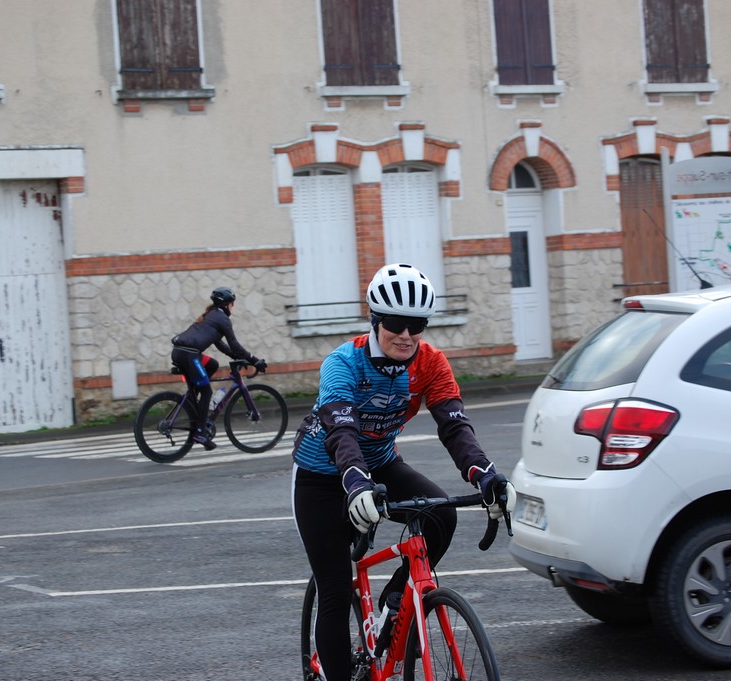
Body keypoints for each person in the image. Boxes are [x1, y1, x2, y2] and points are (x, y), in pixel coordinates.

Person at [291, 263, 517, 681]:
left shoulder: (430, 363)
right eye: (395, 323)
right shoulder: (343, 363)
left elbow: (454, 426)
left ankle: (396, 600)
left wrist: (485, 475)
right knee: (335, 591)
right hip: (321, 476)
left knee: (441, 515)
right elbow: (341, 430)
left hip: (380, 464)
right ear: (375, 320)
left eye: (417, 325)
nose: (407, 335)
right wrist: (355, 481)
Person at [171, 286, 267, 450]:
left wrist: (237, 357)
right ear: (227, 304)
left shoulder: (211, 315)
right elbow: (234, 345)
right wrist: (254, 360)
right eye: (232, 303)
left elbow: (221, 345)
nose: (233, 307)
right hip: (190, 355)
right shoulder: (222, 319)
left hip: (181, 352)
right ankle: (200, 433)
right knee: (207, 391)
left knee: (213, 365)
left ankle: (194, 402)